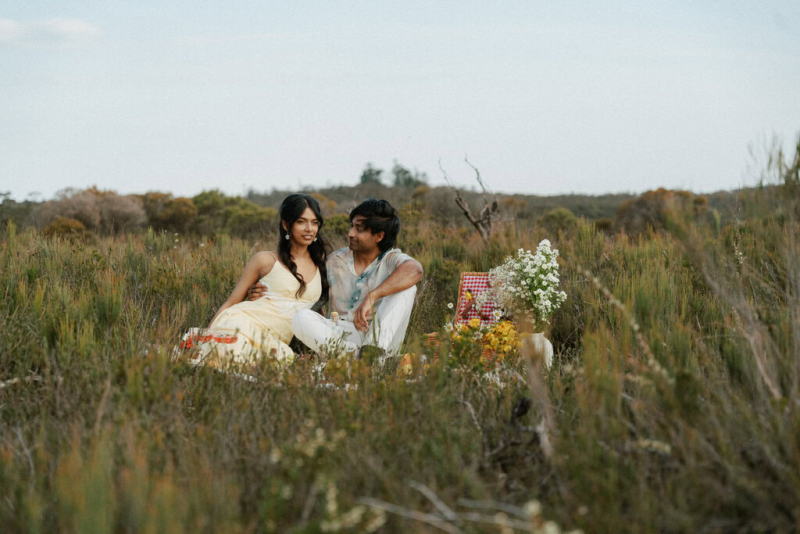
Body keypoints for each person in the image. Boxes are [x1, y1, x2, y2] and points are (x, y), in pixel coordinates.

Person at [248, 198, 423, 357]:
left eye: (359, 229)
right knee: (301, 318)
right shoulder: (335, 261)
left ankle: (371, 354)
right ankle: (361, 359)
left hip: (381, 338)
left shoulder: (391, 259)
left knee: (407, 287)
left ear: (379, 236)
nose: (350, 233)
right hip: (341, 336)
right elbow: (310, 298)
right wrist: (266, 293)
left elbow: (415, 270)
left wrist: (372, 296)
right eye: (352, 226)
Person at [178, 194, 329, 367]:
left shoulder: (323, 265)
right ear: (286, 224)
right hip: (243, 322)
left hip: (273, 340)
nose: (309, 228)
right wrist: (207, 335)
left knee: (274, 359)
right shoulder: (265, 259)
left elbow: (317, 312)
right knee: (232, 352)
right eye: (301, 221)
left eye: (314, 222)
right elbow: (231, 302)